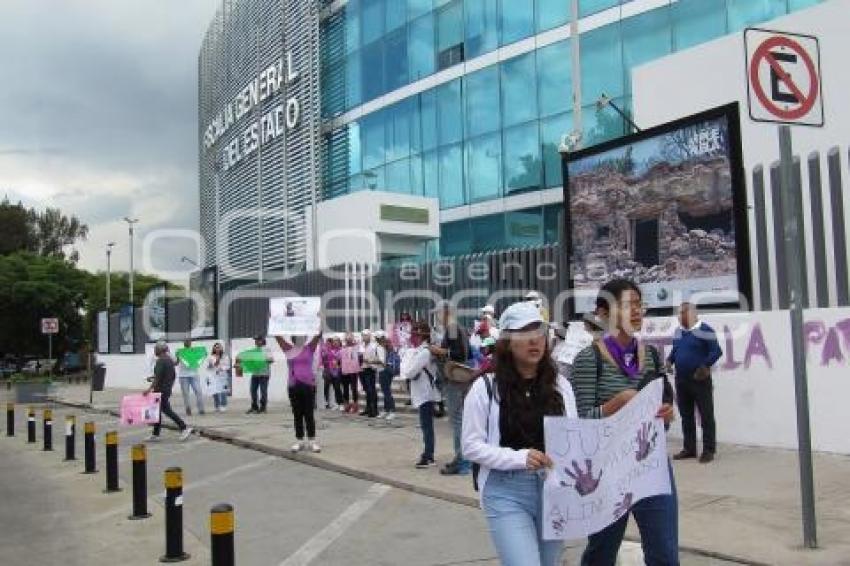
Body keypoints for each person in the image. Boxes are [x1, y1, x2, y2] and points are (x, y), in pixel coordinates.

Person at [570, 278, 678, 566]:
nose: (636, 311)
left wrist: (666, 413)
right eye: (628, 304)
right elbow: (579, 424)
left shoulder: (653, 356)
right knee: (602, 553)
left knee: (665, 555)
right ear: (603, 313)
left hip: (651, 465)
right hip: (608, 471)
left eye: (639, 305)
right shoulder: (587, 360)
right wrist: (615, 404)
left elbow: (662, 412)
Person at [462, 301, 577, 566]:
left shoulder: (560, 385)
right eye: (524, 335)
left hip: (553, 492)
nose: (534, 342)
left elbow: (572, 436)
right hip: (506, 492)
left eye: (539, 334)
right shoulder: (485, 388)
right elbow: (470, 446)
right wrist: (519, 458)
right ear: (507, 343)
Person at [667, 302, 722, 464]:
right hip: (681, 380)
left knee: (706, 415)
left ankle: (708, 450)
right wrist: (670, 361)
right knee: (686, 416)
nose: (679, 316)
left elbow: (716, 351)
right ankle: (689, 448)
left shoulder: (706, 330)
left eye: (681, 313)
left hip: (699, 379)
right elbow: (675, 350)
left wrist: (705, 366)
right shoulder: (679, 332)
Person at [430, 301, 471, 476]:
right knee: (458, 419)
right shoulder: (456, 328)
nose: (437, 317)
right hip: (457, 379)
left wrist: (440, 351)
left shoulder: (453, 328)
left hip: (456, 379)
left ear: (446, 312)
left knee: (457, 420)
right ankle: (460, 457)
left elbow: (460, 354)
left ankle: (462, 460)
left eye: (438, 313)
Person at [275, 333, 323, 453]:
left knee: (309, 414)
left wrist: (318, 319)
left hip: (308, 385)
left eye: (303, 337)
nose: (300, 339)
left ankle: (312, 441)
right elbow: (278, 337)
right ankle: (299, 440)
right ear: (294, 339)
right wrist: (273, 319)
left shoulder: (310, 348)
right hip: (293, 385)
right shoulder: (288, 349)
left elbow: (318, 335)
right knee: (297, 414)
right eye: (298, 337)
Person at [402, 321, 440, 468]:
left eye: (415, 335)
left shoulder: (424, 352)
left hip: (426, 393)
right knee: (425, 426)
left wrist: (408, 369)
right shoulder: (419, 351)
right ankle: (428, 453)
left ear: (420, 336)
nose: (413, 338)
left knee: (427, 426)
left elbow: (410, 371)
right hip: (422, 392)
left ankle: (429, 456)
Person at [144, 342, 193, 442]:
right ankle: (155, 434)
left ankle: (184, 428)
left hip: (160, 390)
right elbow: (170, 375)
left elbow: (158, 378)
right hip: (166, 389)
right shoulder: (169, 360)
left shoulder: (161, 361)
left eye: (156, 349)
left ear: (160, 350)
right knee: (157, 412)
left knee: (166, 410)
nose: (154, 351)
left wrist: (149, 389)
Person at [235, 335, 274, 414]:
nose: (256, 341)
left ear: (262, 340)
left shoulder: (267, 350)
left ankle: (263, 408)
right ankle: (254, 407)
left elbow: (271, 360)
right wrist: (241, 362)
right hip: (255, 373)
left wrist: (261, 359)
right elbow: (249, 361)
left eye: (258, 340)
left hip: (264, 374)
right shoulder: (253, 351)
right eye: (255, 340)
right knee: (252, 390)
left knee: (263, 391)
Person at [175, 340, 206, 416]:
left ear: (190, 344)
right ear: (184, 344)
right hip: (183, 376)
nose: (187, 343)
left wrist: (203, 354)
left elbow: (201, 356)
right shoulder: (180, 352)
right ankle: (188, 408)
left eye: (188, 342)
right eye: (186, 342)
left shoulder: (194, 351)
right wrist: (177, 357)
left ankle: (201, 409)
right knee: (186, 393)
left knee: (198, 391)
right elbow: (176, 363)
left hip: (194, 375)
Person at [359, 329, 383, 418]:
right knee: (366, 390)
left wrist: (369, 361)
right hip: (362, 369)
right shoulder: (361, 346)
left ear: (369, 336)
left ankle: (374, 410)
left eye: (366, 335)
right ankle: (368, 408)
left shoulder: (374, 346)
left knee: (371, 389)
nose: (364, 337)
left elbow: (378, 358)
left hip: (370, 369)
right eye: (363, 335)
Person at [377, 333, 399, 421]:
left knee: (387, 392)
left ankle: (393, 411)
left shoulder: (388, 349)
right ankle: (386, 410)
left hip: (386, 371)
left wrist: (376, 361)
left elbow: (384, 362)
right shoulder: (382, 348)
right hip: (383, 371)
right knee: (385, 391)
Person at [339, 333, 361, 414]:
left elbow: (359, 355)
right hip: (345, 370)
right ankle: (346, 405)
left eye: (350, 339)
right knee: (345, 388)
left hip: (353, 371)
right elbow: (340, 359)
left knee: (353, 388)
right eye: (347, 339)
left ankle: (355, 405)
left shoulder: (356, 347)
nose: (348, 340)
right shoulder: (343, 348)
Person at [205, 342, 231, 413]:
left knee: (223, 391)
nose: (217, 349)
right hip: (213, 376)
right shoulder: (210, 357)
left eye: (219, 347)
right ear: (213, 348)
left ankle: (223, 405)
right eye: (216, 347)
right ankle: (217, 406)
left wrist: (221, 368)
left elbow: (227, 366)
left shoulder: (225, 357)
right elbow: (208, 367)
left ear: (221, 348)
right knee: (215, 391)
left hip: (222, 376)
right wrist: (211, 365)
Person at [321, 336, 343, 410]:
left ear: (339, 342)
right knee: (334, 387)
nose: (335, 343)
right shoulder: (330, 350)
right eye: (334, 341)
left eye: (337, 341)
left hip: (338, 371)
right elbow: (325, 358)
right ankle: (336, 403)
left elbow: (343, 361)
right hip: (331, 371)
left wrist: (338, 364)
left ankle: (340, 403)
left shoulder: (341, 350)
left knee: (337, 387)